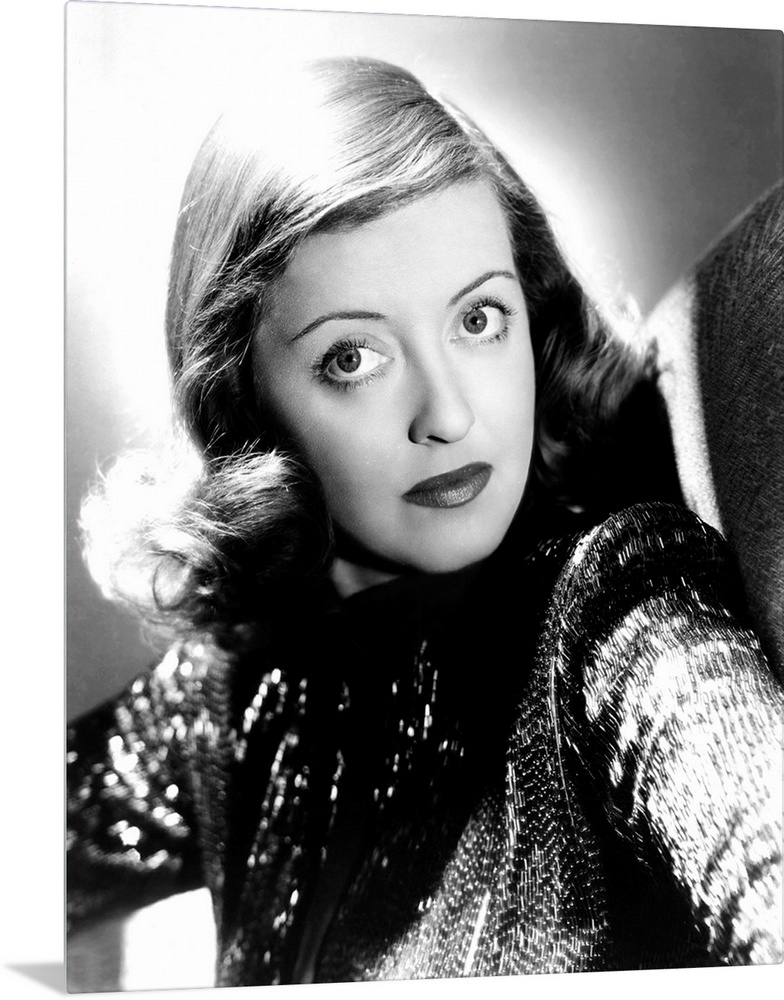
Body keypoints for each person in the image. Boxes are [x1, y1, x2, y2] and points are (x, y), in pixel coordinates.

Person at [66, 57, 783, 987]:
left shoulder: (613, 610)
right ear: (245, 401)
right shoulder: (230, 694)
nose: (447, 414)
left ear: (532, 312)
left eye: (478, 320)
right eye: (353, 357)